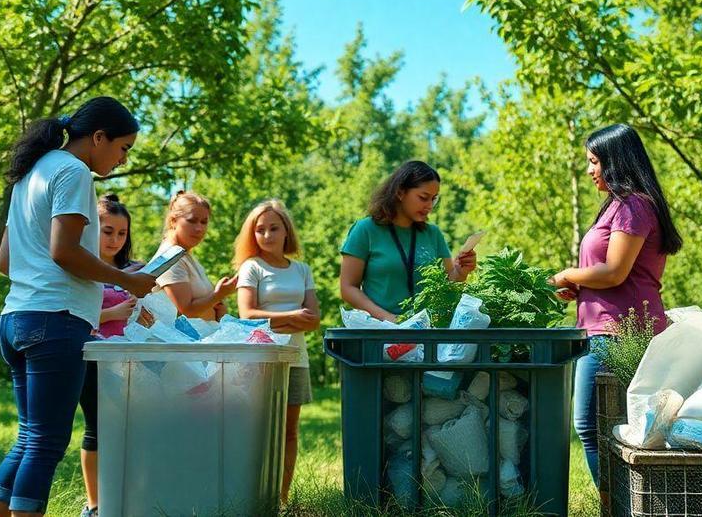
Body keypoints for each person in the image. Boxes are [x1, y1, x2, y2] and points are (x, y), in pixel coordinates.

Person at [0, 97, 157, 517]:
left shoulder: (29, 175)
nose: (122, 158)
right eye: (122, 148)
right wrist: (126, 279)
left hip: (15, 318)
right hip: (54, 322)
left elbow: (5, 261)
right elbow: (64, 252)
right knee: (46, 443)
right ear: (98, 137)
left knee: (29, 438)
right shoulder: (74, 172)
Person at [550, 123, 682, 487]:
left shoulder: (633, 206)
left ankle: (617, 506)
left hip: (617, 332)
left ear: (616, 161)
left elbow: (613, 272)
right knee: (611, 427)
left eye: (594, 161)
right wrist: (581, 290)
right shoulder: (618, 206)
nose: (590, 170)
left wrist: (567, 275)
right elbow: (611, 275)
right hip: (607, 326)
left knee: (590, 426)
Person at [232, 199, 320, 502]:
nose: (267, 235)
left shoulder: (302, 269)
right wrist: (292, 317)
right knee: (259, 431)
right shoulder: (251, 267)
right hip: (261, 360)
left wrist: (280, 322)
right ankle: (253, 495)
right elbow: (247, 316)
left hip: (296, 358)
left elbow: (314, 319)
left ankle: (280, 499)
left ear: (286, 231)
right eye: (259, 230)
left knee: (290, 432)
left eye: (273, 228)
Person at [339, 161, 476, 321]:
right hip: (380, 334)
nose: (430, 206)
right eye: (423, 198)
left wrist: (461, 271)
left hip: (426, 335)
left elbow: (448, 284)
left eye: (434, 199)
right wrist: (390, 319)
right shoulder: (365, 229)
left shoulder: (433, 234)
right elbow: (348, 288)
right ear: (400, 192)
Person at [77, 194, 142, 517]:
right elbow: (73, 314)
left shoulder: (129, 270)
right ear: (92, 229)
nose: (115, 239)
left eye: (121, 233)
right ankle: (95, 505)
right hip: (92, 358)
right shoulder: (79, 265)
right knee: (97, 429)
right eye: (108, 231)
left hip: (128, 359)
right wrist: (114, 311)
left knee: (130, 428)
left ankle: (125, 499)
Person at [154, 190, 238, 321]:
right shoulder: (169, 258)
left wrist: (218, 308)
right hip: (181, 340)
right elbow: (187, 312)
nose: (199, 228)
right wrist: (219, 295)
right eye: (192, 220)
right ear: (173, 221)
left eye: (204, 222)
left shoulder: (185, 256)